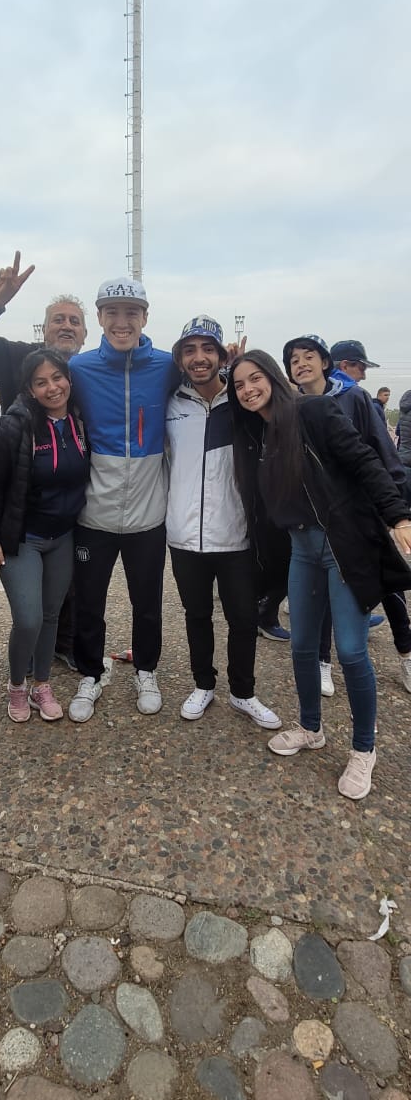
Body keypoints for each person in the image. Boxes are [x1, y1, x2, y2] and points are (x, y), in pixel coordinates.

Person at [228, 350, 411, 801]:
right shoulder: (259, 431)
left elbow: (365, 462)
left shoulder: (313, 410)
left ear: (273, 376)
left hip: (340, 546)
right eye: (239, 384)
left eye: (255, 378)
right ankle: (311, 727)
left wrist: (399, 516)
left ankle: (364, 749)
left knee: (350, 651)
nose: (248, 389)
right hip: (300, 551)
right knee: (303, 645)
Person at [64, 276, 183, 723]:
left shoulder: (168, 366)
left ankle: (146, 670)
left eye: (132, 312)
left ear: (145, 317)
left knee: (148, 603)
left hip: (148, 515)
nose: (122, 321)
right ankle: (91, 674)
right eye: (112, 312)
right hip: (94, 513)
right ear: (99, 318)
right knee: (89, 603)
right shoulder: (79, 368)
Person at [166, 317, 282, 729]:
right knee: (196, 615)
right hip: (183, 535)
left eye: (208, 349)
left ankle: (243, 692)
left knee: (243, 620)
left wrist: (240, 371)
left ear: (220, 355)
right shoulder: (171, 403)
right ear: (180, 358)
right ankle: (203, 684)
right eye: (190, 350)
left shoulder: (242, 404)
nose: (199, 358)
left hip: (235, 536)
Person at [283, 334, 411, 697]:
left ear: (326, 363)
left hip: (359, 517)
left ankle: (405, 653)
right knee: (320, 594)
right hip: (319, 525)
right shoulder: (292, 406)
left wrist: (392, 510)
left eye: (309, 357)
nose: (302, 364)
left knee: (389, 587)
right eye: (294, 360)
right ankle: (323, 664)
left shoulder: (353, 398)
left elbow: (379, 453)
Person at [0, 350, 89, 724]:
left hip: (64, 534)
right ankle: (16, 685)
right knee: (27, 618)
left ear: (69, 379)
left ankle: (42, 684)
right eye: (41, 382)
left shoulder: (80, 419)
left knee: (50, 615)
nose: (52, 387)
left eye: (57, 378)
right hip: (22, 536)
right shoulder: (16, 424)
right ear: (29, 387)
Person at [0, 253, 87, 411]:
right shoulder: (16, 358)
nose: (67, 326)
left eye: (74, 321)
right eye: (58, 320)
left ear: (84, 335)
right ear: (44, 330)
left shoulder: (93, 371)